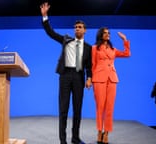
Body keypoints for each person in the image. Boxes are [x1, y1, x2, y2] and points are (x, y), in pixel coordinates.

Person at [40, 2, 92, 144]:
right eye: (75, 27)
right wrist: (45, 17)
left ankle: (75, 138)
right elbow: (51, 33)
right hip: (65, 76)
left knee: (77, 110)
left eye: (80, 27)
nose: (77, 29)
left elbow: (89, 66)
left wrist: (89, 78)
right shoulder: (66, 40)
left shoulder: (88, 48)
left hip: (79, 77)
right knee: (63, 110)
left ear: (85, 30)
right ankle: (63, 140)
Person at [91, 27, 130, 144]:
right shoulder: (94, 48)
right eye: (105, 33)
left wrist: (125, 40)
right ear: (100, 35)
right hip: (98, 79)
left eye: (109, 33)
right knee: (100, 107)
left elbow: (127, 54)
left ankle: (106, 132)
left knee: (109, 108)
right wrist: (91, 79)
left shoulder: (113, 49)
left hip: (112, 79)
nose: (108, 35)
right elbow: (93, 64)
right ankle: (99, 131)